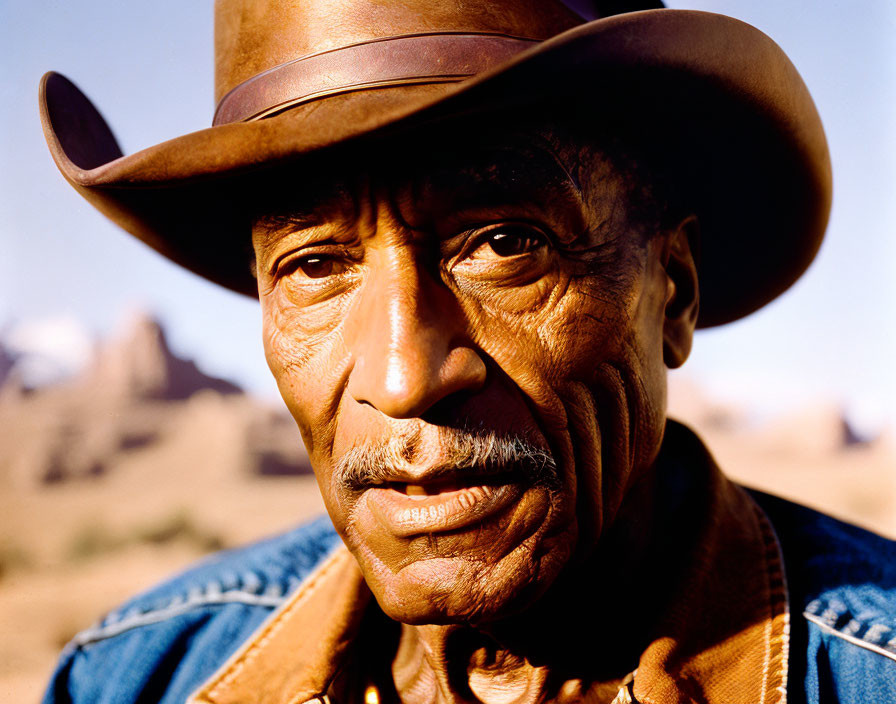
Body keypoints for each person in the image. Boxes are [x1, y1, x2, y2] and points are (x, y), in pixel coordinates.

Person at [38, 1, 896, 702]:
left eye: (502, 244)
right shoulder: (135, 678)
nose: (403, 378)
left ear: (671, 292)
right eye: (315, 266)